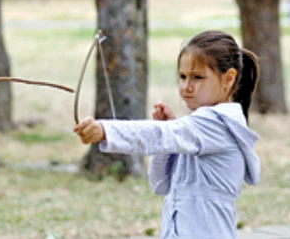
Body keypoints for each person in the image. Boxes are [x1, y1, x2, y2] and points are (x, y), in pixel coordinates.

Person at [73, 30, 261, 239]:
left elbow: (157, 134)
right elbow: (160, 184)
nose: (186, 87)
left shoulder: (218, 124)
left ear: (228, 79)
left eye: (197, 78)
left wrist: (105, 131)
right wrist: (170, 141)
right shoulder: (196, 131)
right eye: (182, 77)